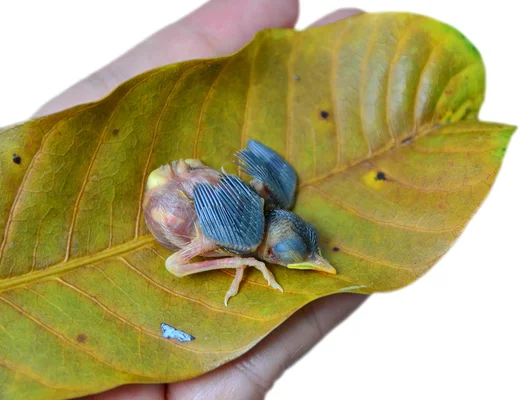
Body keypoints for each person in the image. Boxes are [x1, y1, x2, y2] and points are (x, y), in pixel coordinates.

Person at [34, 1, 366, 398]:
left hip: (180, 178)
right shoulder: (235, 234)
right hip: (175, 201)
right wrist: (237, 257)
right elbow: (174, 264)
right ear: (271, 255)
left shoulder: (265, 199)